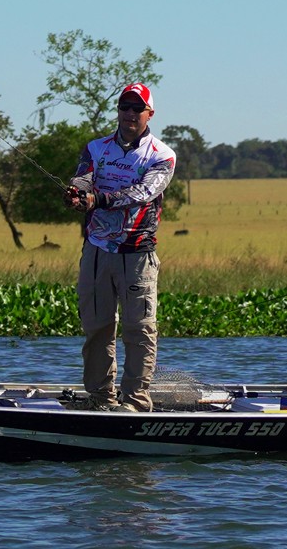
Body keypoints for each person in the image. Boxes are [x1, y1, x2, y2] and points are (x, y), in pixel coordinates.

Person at [64, 83, 176, 412]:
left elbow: (142, 192)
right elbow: (83, 178)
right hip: (97, 251)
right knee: (97, 327)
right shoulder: (96, 148)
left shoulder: (162, 155)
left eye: (136, 108)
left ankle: (136, 403)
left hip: (137, 253)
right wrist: (74, 193)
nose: (129, 113)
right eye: (124, 107)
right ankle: (100, 399)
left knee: (138, 330)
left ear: (149, 114)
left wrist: (98, 199)